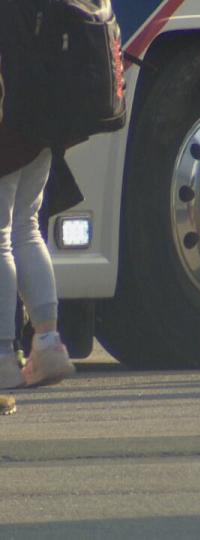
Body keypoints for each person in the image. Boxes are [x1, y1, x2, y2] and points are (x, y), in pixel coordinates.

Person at [0, 71, 76, 390]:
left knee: (2, 236)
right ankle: (48, 345)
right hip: (42, 119)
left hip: (6, 118)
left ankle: (3, 357)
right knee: (26, 229)